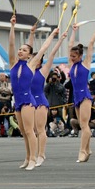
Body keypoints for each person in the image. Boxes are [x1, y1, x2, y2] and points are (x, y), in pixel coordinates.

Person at [8, 15, 57, 170]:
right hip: (17, 101)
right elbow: (10, 45)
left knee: (30, 131)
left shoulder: (31, 65)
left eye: (24, 50)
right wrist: (12, 26)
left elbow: (43, 49)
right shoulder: (12, 64)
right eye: (20, 49)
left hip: (28, 101)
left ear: (29, 55)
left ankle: (34, 159)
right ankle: (28, 157)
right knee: (23, 132)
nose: (20, 51)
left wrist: (53, 35)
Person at [29, 24, 68, 166]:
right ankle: (31, 156)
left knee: (40, 129)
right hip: (29, 102)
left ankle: (41, 154)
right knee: (31, 130)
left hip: (40, 101)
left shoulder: (43, 71)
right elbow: (28, 48)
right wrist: (32, 33)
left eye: (35, 58)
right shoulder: (28, 70)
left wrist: (60, 39)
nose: (32, 60)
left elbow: (51, 54)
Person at [68, 22, 95, 162]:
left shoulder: (86, 63)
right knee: (83, 124)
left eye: (74, 56)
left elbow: (90, 42)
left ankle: (82, 151)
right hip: (76, 97)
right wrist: (74, 31)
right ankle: (88, 149)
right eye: (71, 56)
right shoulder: (72, 64)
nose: (72, 58)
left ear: (80, 56)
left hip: (85, 96)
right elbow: (70, 44)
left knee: (84, 124)